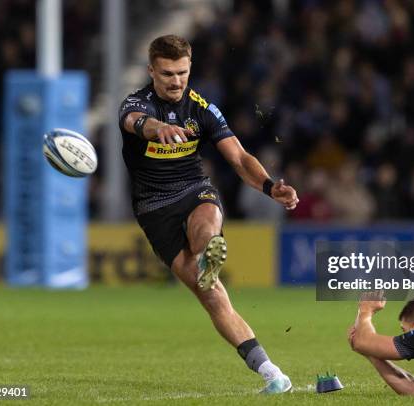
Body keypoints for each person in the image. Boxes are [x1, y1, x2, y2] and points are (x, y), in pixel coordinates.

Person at [118, 34, 298, 394]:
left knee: (205, 229)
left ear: (190, 68)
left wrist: (268, 186)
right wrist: (158, 129)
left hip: (193, 189)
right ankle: (272, 374)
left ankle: (209, 252)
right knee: (212, 296)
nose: (176, 81)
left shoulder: (202, 107)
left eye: (182, 72)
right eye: (167, 73)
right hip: (154, 209)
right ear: (152, 70)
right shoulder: (135, 103)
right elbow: (136, 123)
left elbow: (239, 157)